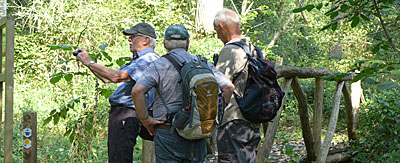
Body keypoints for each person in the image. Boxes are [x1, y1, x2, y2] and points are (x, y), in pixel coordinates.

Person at [131, 24, 234, 163]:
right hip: (197, 131)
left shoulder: (159, 64)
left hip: (168, 131)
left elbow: (137, 91)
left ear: (165, 44)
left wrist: (146, 120)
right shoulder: (201, 63)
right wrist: (213, 115)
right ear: (187, 43)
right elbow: (228, 87)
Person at [75, 23, 159, 163]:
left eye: (133, 36)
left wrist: (89, 62)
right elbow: (107, 78)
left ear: (146, 40)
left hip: (128, 113)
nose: (129, 40)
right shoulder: (139, 59)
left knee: (119, 159)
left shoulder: (148, 59)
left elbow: (116, 76)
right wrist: (88, 62)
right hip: (128, 113)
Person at [213, 9, 262, 163]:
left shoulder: (230, 51)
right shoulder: (252, 49)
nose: (217, 36)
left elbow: (220, 86)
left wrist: (216, 115)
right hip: (252, 118)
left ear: (221, 26)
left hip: (233, 120)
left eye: (217, 31)